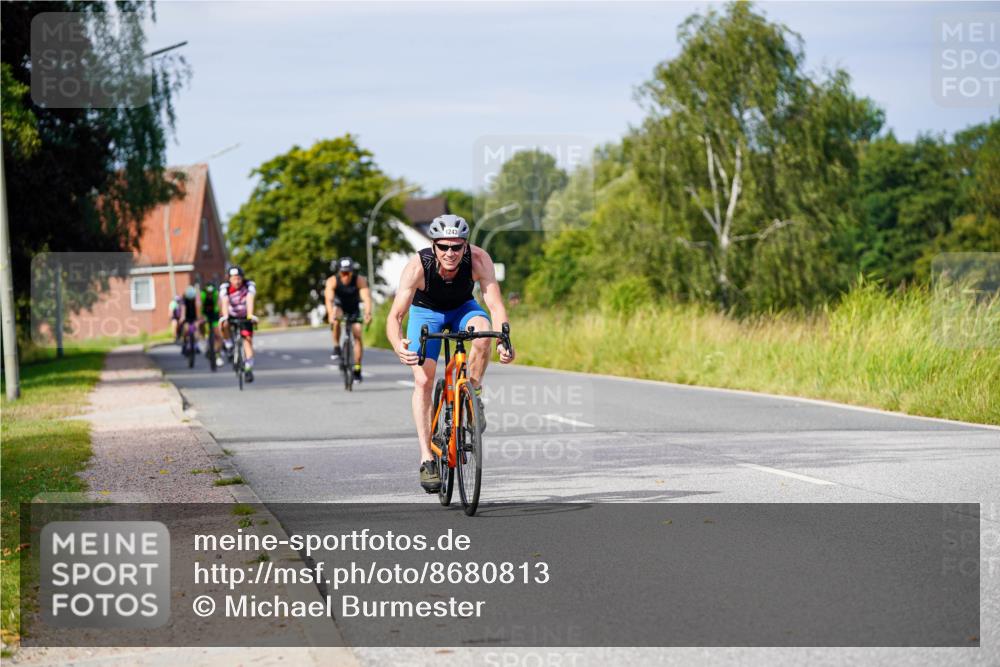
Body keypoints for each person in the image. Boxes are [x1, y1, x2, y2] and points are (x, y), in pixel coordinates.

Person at [385, 214, 514, 493]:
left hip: (463, 309)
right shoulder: (417, 266)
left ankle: (473, 392)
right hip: (426, 313)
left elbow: (495, 305)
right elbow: (395, 316)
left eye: (456, 247)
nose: (450, 253)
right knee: (423, 380)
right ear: (434, 245)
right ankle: (427, 459)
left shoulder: (479, 259)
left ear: (465, 246)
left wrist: (504, 340)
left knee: (483, 333)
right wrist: (398, 345)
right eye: (443, 246)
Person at [325, 256, 373, 382]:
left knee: (357, 333)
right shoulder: (332, 281)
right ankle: (336, 347)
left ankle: (357, 368)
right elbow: (329, 300)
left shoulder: (359, 280)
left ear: (352, 272)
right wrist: (330, 314)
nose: (346, 275)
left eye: (348, 272)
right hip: (339, 307)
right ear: (339, 272)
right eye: (343, 273)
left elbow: (366, 298)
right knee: (335, 318)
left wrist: (368, 313)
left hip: (353, 309)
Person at [219, 266, 258, 382]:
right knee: (223, 324)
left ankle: (248, 368)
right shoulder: (225, 287)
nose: (237, 281)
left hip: (245, 315)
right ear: (229, 279)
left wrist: (250, 315)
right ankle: (228, 345)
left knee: (248, 341)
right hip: (231, 315)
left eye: (239, 278)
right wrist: (225, 316)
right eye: (234, 279)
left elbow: (250, 298)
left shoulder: (249, 285)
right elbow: (224, 301)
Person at [200, 283, 224, 367]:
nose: (210, 295)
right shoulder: (202, 295)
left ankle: (218, 354)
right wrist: (201, 317)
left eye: (211, 293)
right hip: (205, 313)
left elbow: (219, 305)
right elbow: (199, 306)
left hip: (214, 314)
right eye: (208, 294)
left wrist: (221, 314)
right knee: (201, 324)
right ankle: (203, 339)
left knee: (218, 335)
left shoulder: (216, 294)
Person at [179, 286, 199, 355]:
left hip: (194, 316)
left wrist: (199, 318)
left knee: (196, 328)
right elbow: (183, 308)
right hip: (186, 317)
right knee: (186, 329)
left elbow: (198, 307)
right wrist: (182, 317)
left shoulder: (196, 299)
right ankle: (185, 344)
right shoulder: (184, 300)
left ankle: (196, 345)